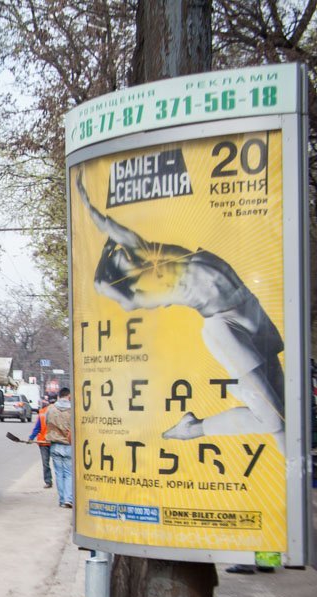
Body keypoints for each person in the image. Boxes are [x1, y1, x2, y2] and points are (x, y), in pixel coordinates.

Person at [76, 172, 284, 450]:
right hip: (224, 326)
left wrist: (92, 210)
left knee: (285, 416)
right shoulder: (145, 293)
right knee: (275, 420)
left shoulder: (168, 257)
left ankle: (293, 483)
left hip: (250, 308)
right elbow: (113, 288)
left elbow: (127, 237)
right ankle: (195, 429)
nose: (130, 254)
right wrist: (104, 283)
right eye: (122, 259)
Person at [45, 387, 73, 508]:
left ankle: (62, 500)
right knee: (68, 473)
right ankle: (68, 499)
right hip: (68, 445)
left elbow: (46, 423)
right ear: (69, 396)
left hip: (55, 445)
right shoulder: (72, 409)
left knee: (59, 473)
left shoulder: (50, 409)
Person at [28, 398, 53, 489]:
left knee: (49, 463)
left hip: (54, 442)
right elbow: (38, 427)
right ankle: (48, 481)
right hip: (44, 443)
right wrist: (31, 437)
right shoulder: (42, 412)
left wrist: (31, 438)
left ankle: (52, 481)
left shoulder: (55, 412)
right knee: (47, 463)